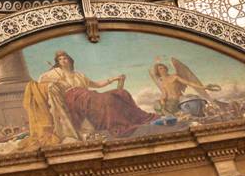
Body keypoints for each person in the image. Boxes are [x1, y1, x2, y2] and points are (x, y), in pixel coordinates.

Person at [22, 50, 150, 145]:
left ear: (70, 60)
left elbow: (97, 84)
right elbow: (40, 82)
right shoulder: (54, 73)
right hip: (73, 98)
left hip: (86, 95)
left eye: (65, 58)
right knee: (99, 98)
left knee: (118, 95)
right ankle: (115, 123)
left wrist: (113, 79)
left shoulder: (79, 75)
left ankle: (129, 119)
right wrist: (53, 84)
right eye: (60, 59)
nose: (63, 61)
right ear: (57, 63)